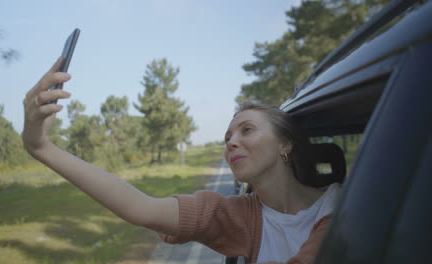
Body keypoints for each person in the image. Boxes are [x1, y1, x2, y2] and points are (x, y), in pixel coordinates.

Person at [23, 58, 341, 264]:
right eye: (227, 137)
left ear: (285, 143)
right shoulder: (239, 214)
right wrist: (42, 147)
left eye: (247, 130)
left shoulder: (343, 204)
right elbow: (142, 209)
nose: (231, 142)